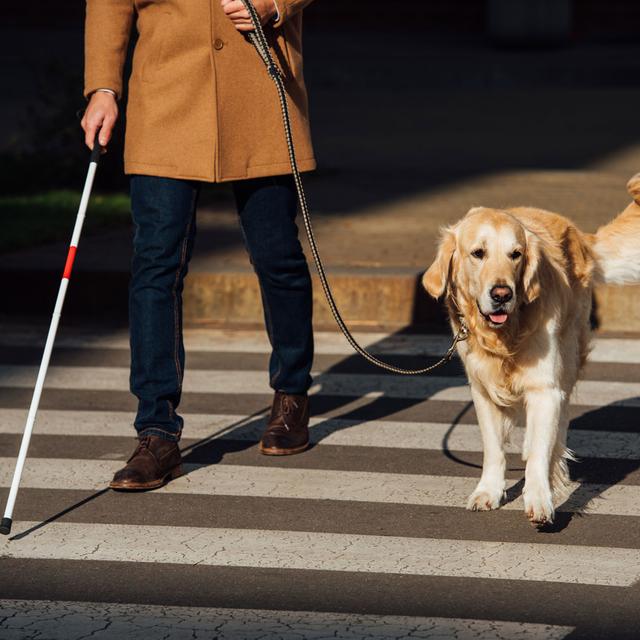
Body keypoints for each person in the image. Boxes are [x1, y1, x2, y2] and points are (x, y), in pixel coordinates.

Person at [81, 0, 316, 490]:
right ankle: (157, 431)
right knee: (155, 265)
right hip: (166, 92)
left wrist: (277, 5)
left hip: (258, 83)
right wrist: (104, 86)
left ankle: (291, 393)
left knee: (278, 257)